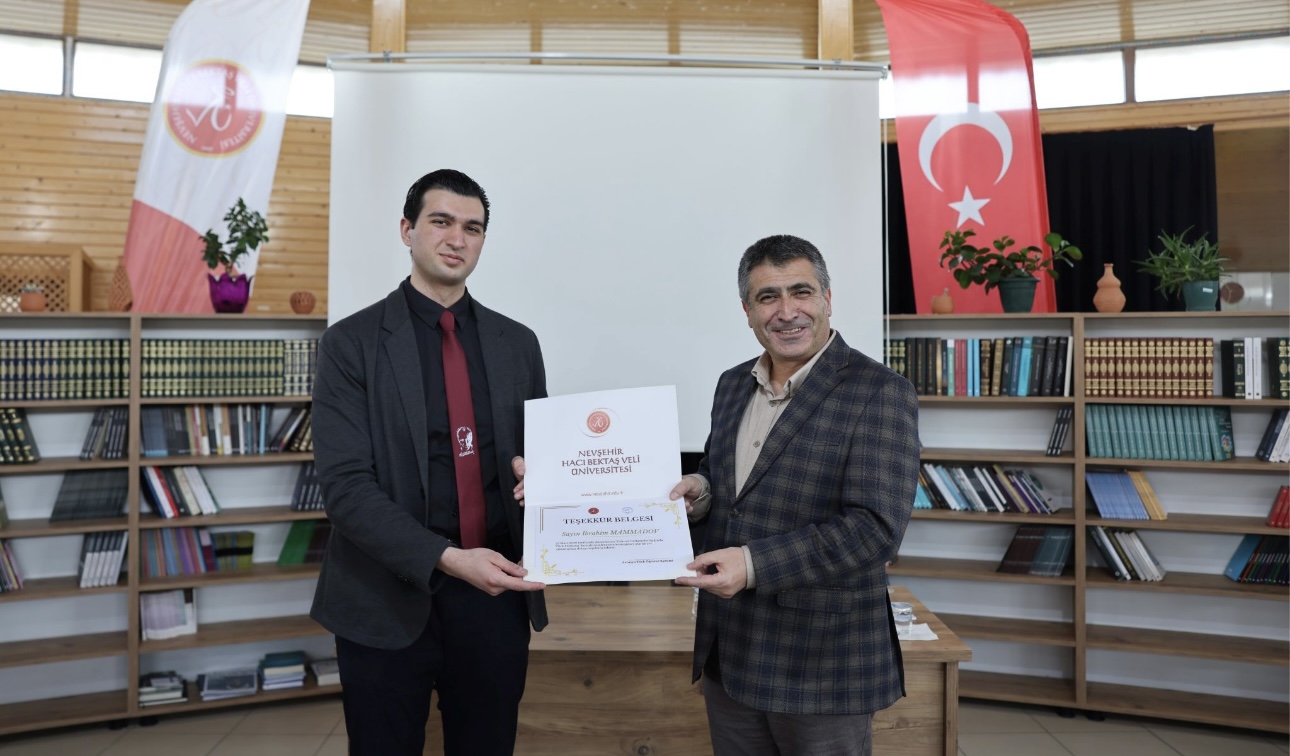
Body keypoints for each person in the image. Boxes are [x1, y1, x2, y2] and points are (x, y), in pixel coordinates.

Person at [310, 169, 547, 756]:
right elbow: (346, 490)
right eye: (441, 221)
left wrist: (543, 479)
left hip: (494, 595)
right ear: (407, 230)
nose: (457, 239)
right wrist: (447, 558)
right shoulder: (350, 344)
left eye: (473, 228)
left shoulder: (518, 343)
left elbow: (541, 459)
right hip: (383, 599)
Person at [671, 234, 920, 756]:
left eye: (800, 292)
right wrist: (701, 492)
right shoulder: (732, 385)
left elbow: (874, 531)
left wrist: (751, 564)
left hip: (822, 665)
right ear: (747, 311)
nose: (786, 312)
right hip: (730, 653)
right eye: (768, 297)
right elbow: (727, 485)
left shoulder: (880, 391)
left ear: (827, 298)